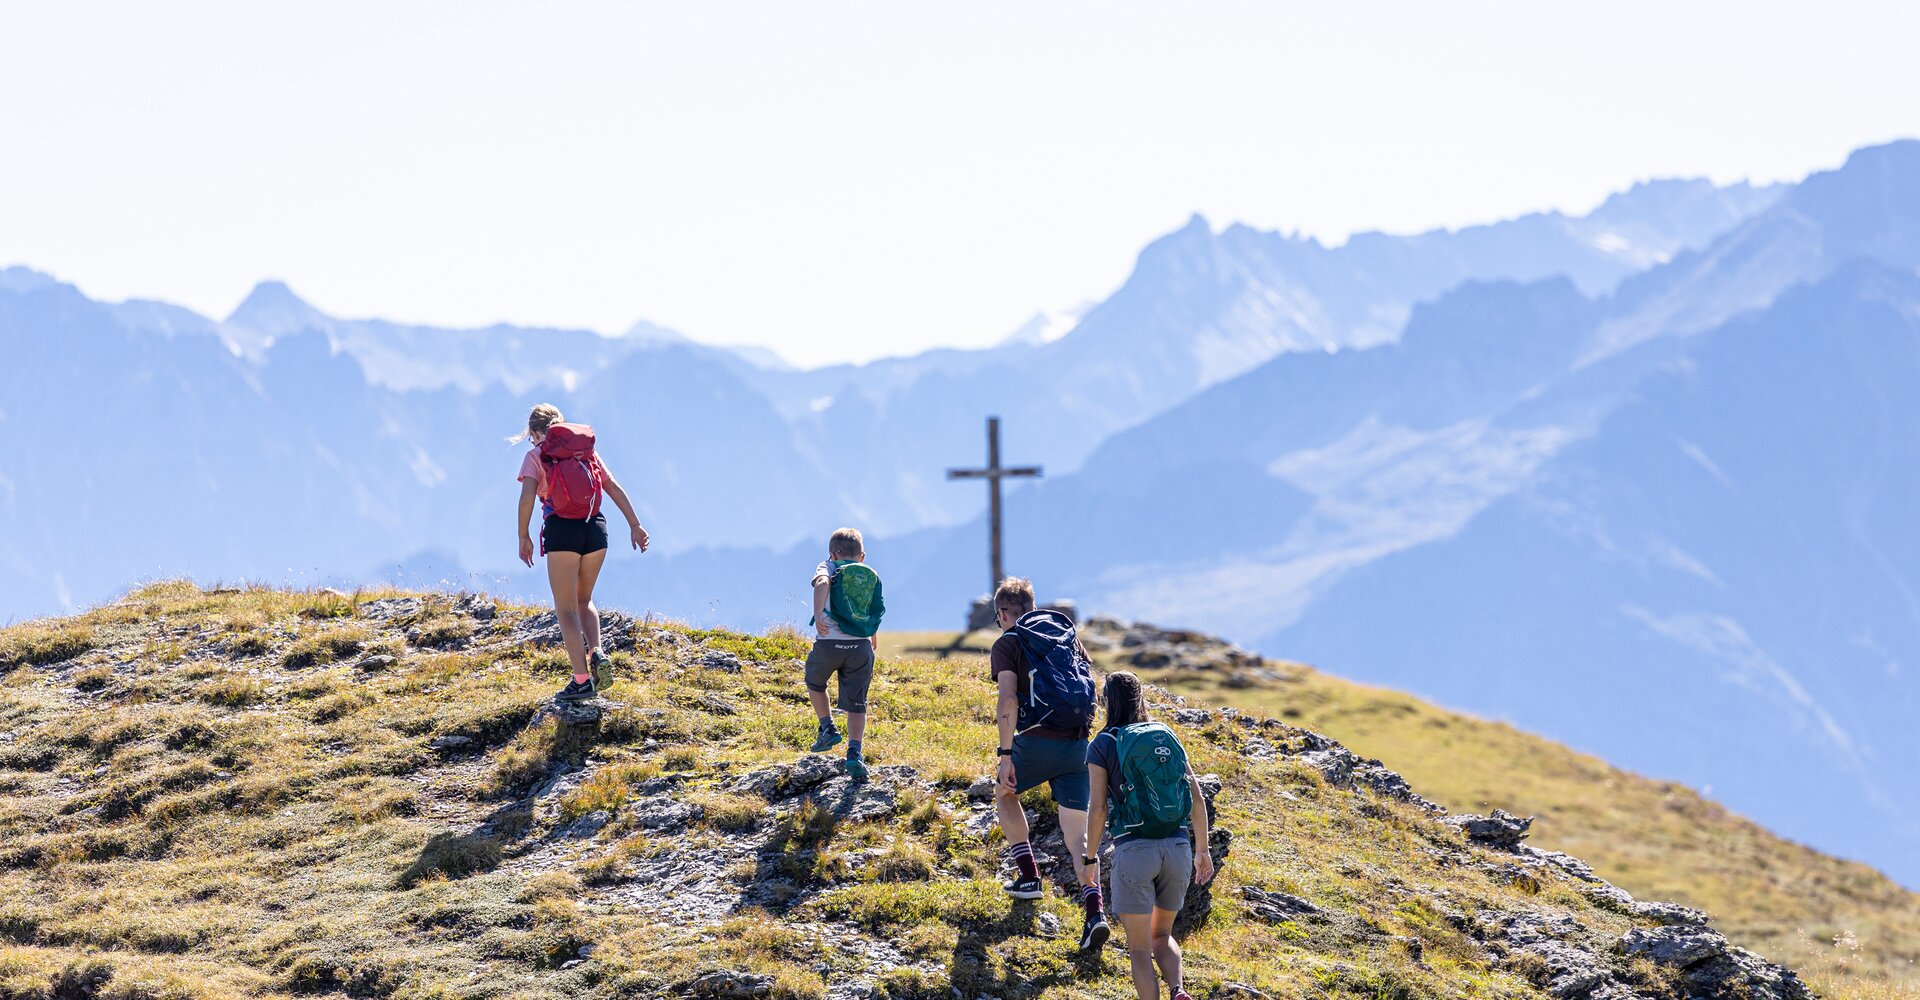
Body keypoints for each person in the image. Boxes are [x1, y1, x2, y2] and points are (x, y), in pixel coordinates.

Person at [988, 577, 1109, 953]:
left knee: (1005, 794)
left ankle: (1029, 877)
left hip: (1037, 742)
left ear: (1004, 613)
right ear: (1033, 606)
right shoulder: (1065, 635)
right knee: (1080, 840)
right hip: (1078, 746)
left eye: (998, 618)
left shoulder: (1009, 643)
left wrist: (1006, 755)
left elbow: (1008, 700)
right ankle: (1095, 914)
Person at [1084, 671, 1214, 1000]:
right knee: (1162, 935)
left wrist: (1089, 857)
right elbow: (1195, 796)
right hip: (1178, 847)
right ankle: (1179, 989)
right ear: (1140, 699)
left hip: (1135, 849)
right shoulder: (1163, 736)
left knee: (1139, 949)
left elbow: (1098, 808)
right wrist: (1203, 851)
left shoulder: (1102, 745)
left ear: (1106, 701)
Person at [514, 404, 648, 703]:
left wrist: (523, 536)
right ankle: (596, 651)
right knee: (584, 599)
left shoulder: (536, 456)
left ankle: (581, 680)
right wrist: (635, 525)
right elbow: (611, 486)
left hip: (563, 531)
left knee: (565, 609)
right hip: (596, 528)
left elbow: (526, 499)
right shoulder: (584, 453)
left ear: (535, 433)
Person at [807, 527, 884, 781]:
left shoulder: (827, 567)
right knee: (857, 701)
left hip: (829, 643)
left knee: (815, 682)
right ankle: (855, 752)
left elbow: (822, 583)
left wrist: (819, 614)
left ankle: (827, 727)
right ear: (862, 556)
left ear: (832, 554)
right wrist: (871, 633)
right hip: (860, 647)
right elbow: (875, 607)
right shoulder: (868, 574)